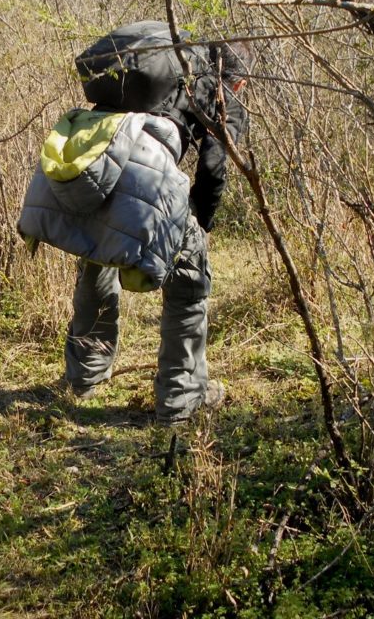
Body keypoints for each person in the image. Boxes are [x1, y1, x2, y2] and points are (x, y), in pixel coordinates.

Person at [61, 23, 253, 423]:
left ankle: (85, 377)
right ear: (239, 80)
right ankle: (181, 400)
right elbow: (215, 165)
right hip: (149, 176)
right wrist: (202, 221)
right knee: (188, 280)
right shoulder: (218, 90)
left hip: (99, 164)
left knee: (98, 257)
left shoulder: (174, 73)